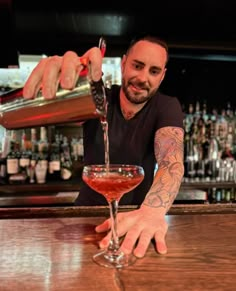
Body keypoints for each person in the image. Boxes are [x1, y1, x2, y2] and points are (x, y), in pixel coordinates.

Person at [23, 34, 185, 258]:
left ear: (162, 75)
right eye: (137, 66)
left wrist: (153, 211)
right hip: (85, 216)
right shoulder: (97, 98)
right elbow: (40, 111)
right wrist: (56, 85)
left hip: (137, 219)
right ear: (124, 63)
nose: (143, 78)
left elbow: (171, 162)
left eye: (154, 71)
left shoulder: (166, 107)